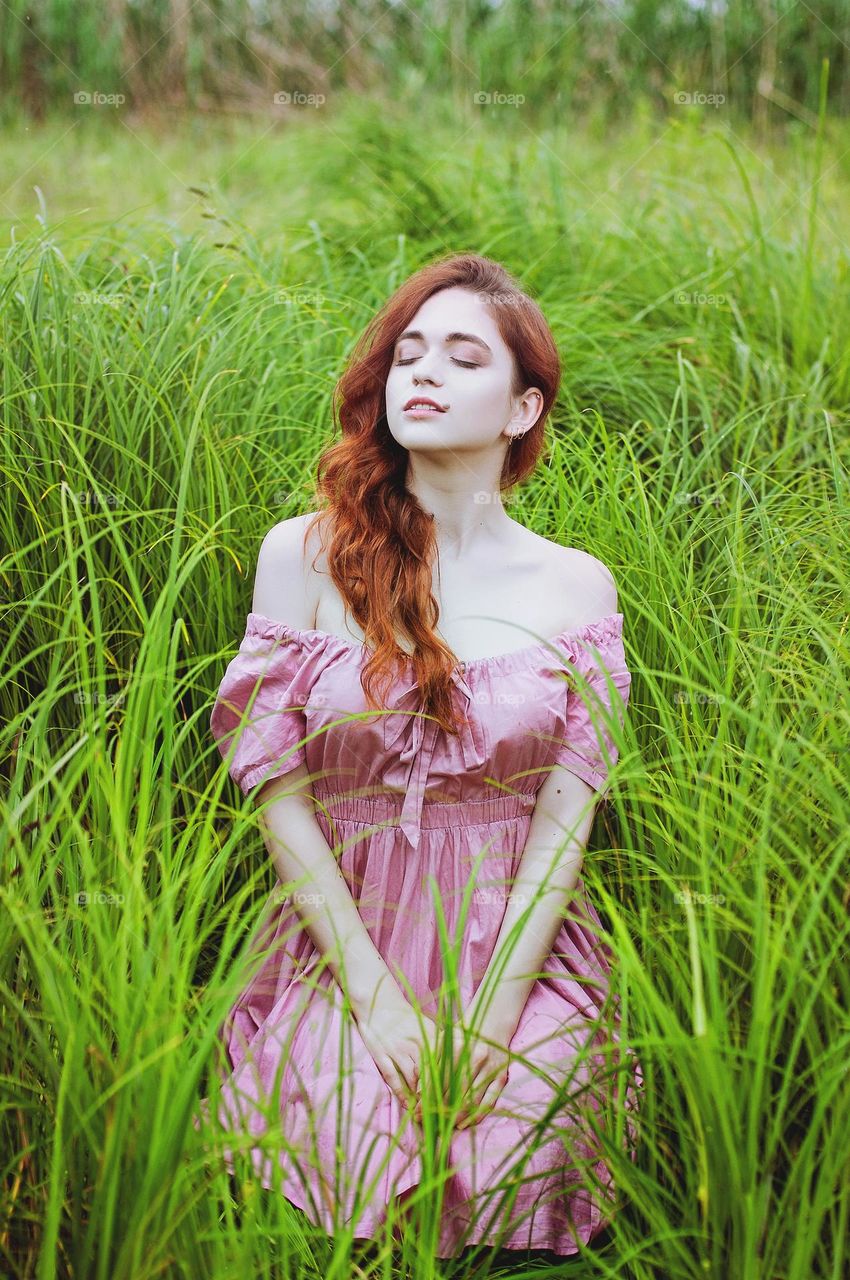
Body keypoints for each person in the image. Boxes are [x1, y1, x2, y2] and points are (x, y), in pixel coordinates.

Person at [199, 251, 642, 1260]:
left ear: (522, 406)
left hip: (515, 939)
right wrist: (376, 1000)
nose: (422, 373)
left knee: (520, 1124)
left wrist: (488, 1016)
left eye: (460, 354)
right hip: (342, 924)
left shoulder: (576, 588)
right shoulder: (304, 554)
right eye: (407, 353)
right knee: (345, 1126)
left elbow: (563, 824)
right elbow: (276, 786)